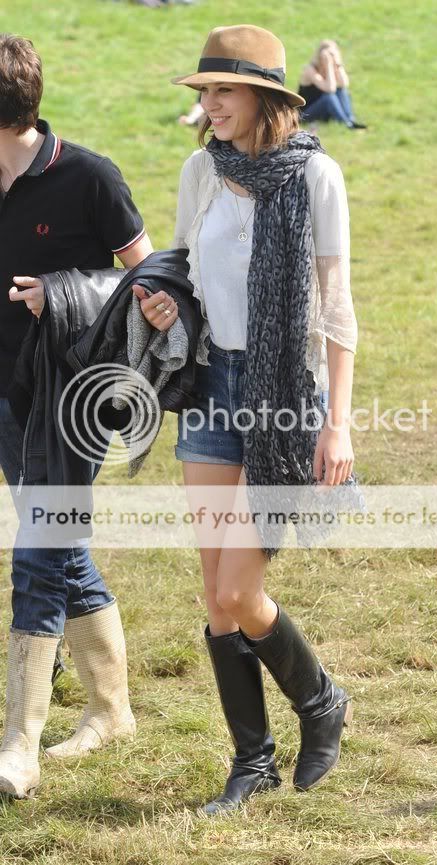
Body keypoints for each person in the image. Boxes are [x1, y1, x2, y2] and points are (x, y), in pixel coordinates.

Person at [138, 24, 358, 815]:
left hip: (283, 394)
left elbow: (336, 309)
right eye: (204, 93)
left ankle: (322, 697)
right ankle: (253, 760)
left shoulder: (315, 177)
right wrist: (167, 306)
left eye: (224, 91)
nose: (211, 105)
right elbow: (185, 270)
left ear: (265, 96)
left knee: (239, 589)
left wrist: (337, 421)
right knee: (213, 591)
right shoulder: (201, 169)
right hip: (210, 384)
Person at [0, 34, 155, 799]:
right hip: (6, 396)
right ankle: (111, 708)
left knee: (37, 550)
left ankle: (19, 741)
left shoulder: (90, 176)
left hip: (72, 399)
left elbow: (152, 281)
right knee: (61, 545)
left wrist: (61, 288)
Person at [299, 40, 367, 129]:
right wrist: (328, 65)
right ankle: (346, 124)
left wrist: (338, 64)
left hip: (323, 111)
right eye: (328, 55)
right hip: (306, 113)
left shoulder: (334, 67)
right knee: (329, 97)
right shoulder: (311, 70)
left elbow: (344, 84)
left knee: (341, 91)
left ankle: (351, 120)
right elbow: (330, 89)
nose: (330, 57)